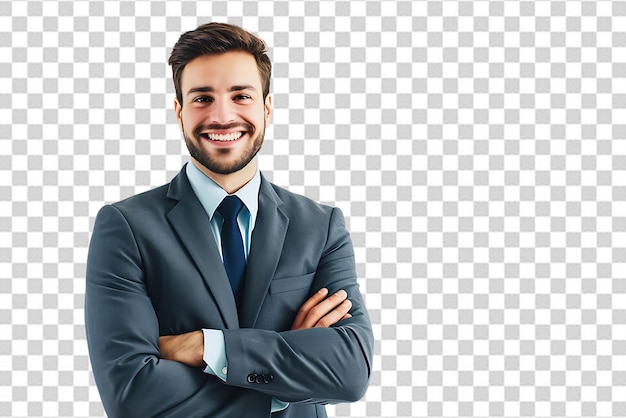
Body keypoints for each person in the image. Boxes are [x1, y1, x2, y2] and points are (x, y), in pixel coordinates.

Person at [85, 22, 373, 417]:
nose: (222, 116)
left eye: (241, 96)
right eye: (203, 98)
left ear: (266, 107)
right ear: (179, 111)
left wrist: (207, 347)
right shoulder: (126, 227)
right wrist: (287, 374)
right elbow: (131, 394)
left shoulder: (320, 227)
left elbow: (352, 372)